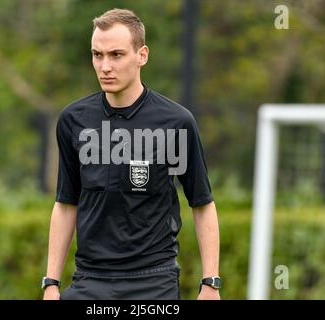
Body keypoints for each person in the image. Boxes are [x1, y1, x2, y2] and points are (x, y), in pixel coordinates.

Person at [42, 8, 220, 300]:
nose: (105, 66)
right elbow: (65, 204)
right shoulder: (73, 120)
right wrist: (51, 282)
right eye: (97, 55)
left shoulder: (176, 122)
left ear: (142, 55)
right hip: (89, 280)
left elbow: (202, 204)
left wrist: (210, 283)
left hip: (153, 281)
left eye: (116, 55)